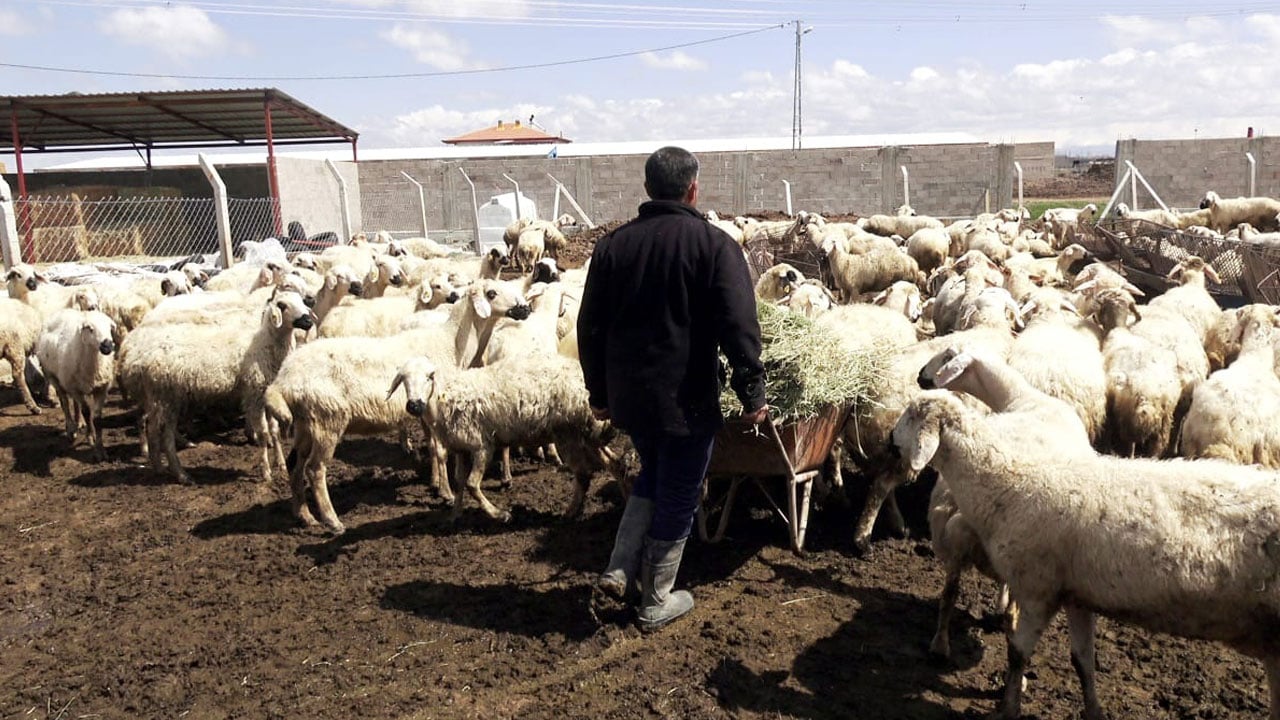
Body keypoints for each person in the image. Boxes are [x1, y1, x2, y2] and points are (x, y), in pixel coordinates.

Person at [577, 145, 768, 632]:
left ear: (647, 189)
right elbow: (739, 327)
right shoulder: (713, 245)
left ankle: (619, 570)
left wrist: (599, 392)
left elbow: (589, 327)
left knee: (654, 474)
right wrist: (753, 393)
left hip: (630, 399)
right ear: (693, 189)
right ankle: (656, 597)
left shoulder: (612, 247)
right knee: (682, 490)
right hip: (686, 399)